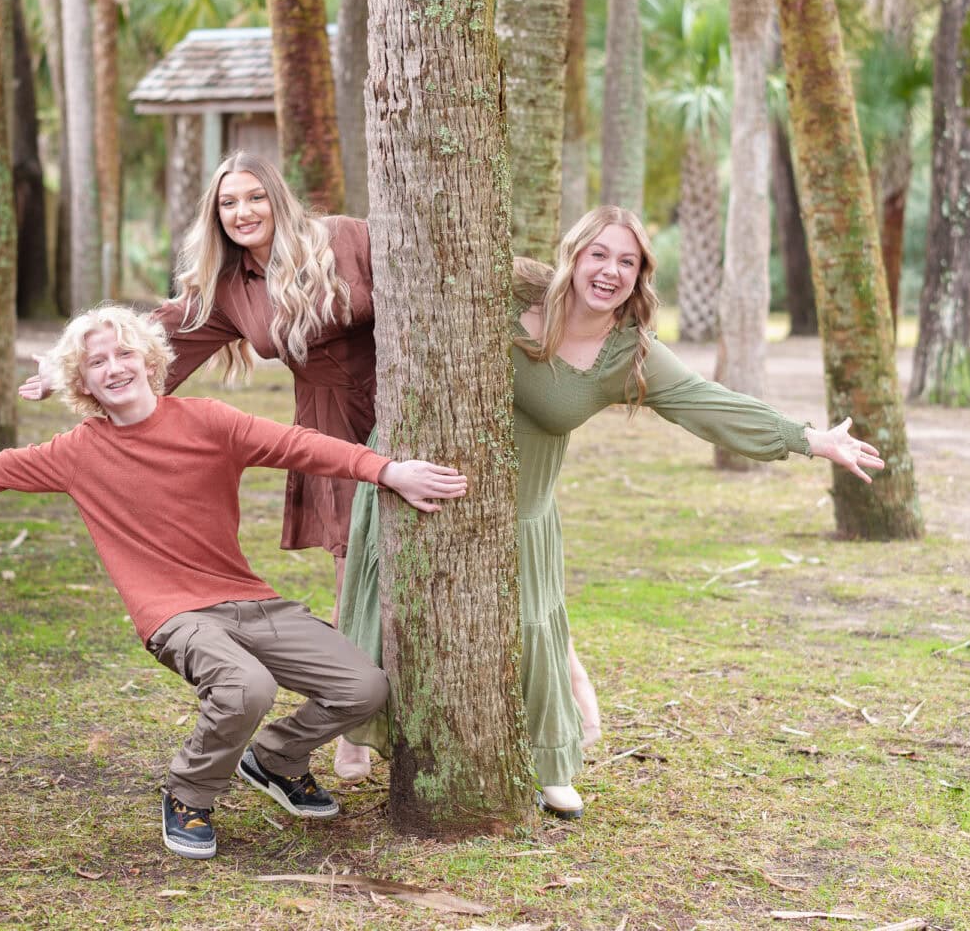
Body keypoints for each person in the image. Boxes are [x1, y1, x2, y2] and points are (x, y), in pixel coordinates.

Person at [20, 151, 607, 780]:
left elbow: (448, 263)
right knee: (353, 570)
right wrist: (62, 371)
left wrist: (578, 292)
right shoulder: (230, 287)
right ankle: (353, 730)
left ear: (277, 198)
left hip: (409, 402)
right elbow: (157, 338)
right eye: (228, 203)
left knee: (488, 542)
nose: (243, 212)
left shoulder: (345, 240)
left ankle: (569, 675)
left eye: (254, 197)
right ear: (215, 216)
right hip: (328, 421)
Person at [0, 305, 467, 860]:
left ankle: (274, 757)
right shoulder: (76, 452)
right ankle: (190, 794)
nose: (114, 367)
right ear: (84, 384)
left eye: (124, 353)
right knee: (246, 686)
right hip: (172, 612)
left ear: (151, 362)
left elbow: (302, 445)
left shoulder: (210, 420)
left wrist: (387, 471)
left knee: (364, 686)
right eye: (97, 363)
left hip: (247, 596)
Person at [337, 206, 884, 820]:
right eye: (600, 254)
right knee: (398, 613)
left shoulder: (627, 353)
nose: (611, 271)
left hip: (521, 515)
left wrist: (808, 438)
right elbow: (399, 255)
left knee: (531, 633)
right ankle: (359, 732)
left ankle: (548, 764)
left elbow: (708, 403)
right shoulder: (508, 286)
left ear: (641, 276)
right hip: (416, 484)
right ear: (574, 254)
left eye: (628, 261)